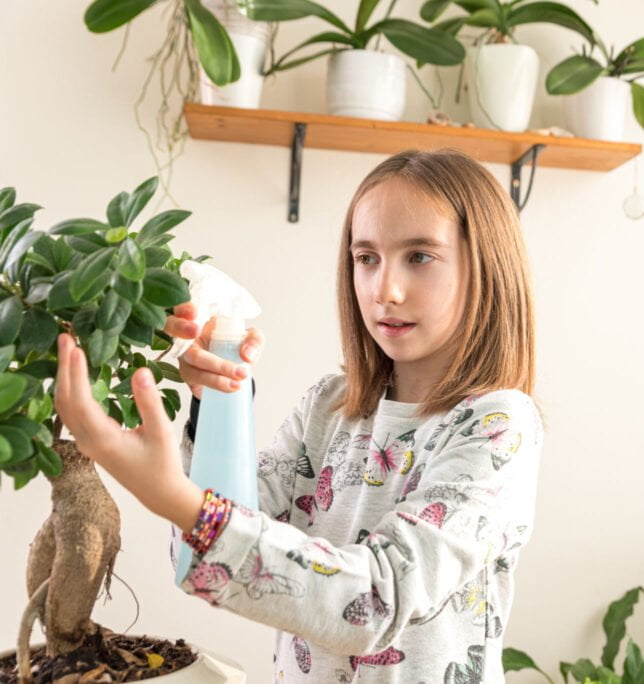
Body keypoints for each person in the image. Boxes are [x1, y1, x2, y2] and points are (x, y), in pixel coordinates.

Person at [54, 148, 545, 683]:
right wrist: (216, 400)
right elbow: (210, 553)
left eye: (419, 256)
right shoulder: (328, 408)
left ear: (487, 265)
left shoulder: (498, 427)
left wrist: (174, 496)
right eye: (367, 258)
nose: (385, 290)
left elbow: (376, 601)